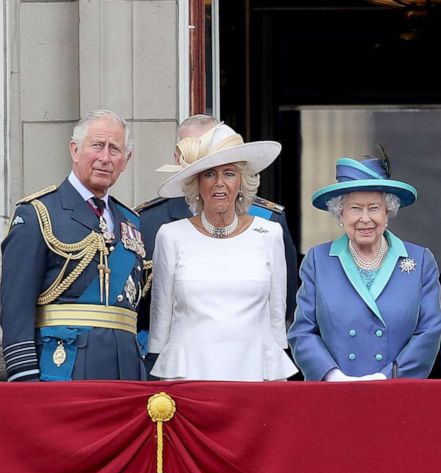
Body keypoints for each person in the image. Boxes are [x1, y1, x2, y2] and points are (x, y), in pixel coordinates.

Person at [1, 110, 148, 381]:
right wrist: (24, 377)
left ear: (126, 160)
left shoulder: (132, 222)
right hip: (62, 369)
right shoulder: (39, 213)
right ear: (75, 150)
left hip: (126, 373)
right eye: (97, 146)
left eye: (115, 149)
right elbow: (15, 306)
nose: (105, 158)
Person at [147, 124, 298, 380]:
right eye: (208, 174)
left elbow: (276, 324)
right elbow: (160, 321)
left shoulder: (269, 234)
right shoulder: (170, 235)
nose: (219, 184)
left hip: (254, 374)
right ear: (196, 183)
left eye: (229, 173)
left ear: (242, 181)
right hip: (189, 376)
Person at [288, 153, 441, 381]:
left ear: (387, 212)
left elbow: (429, 331)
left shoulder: (420, 261)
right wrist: (332, 376)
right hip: (336, 393)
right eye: (355, 208)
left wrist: (387, 377)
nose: (365, 219)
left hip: (397, 392)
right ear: (340, 213)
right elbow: (302, 332)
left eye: (374, 208)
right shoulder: (318, 260)